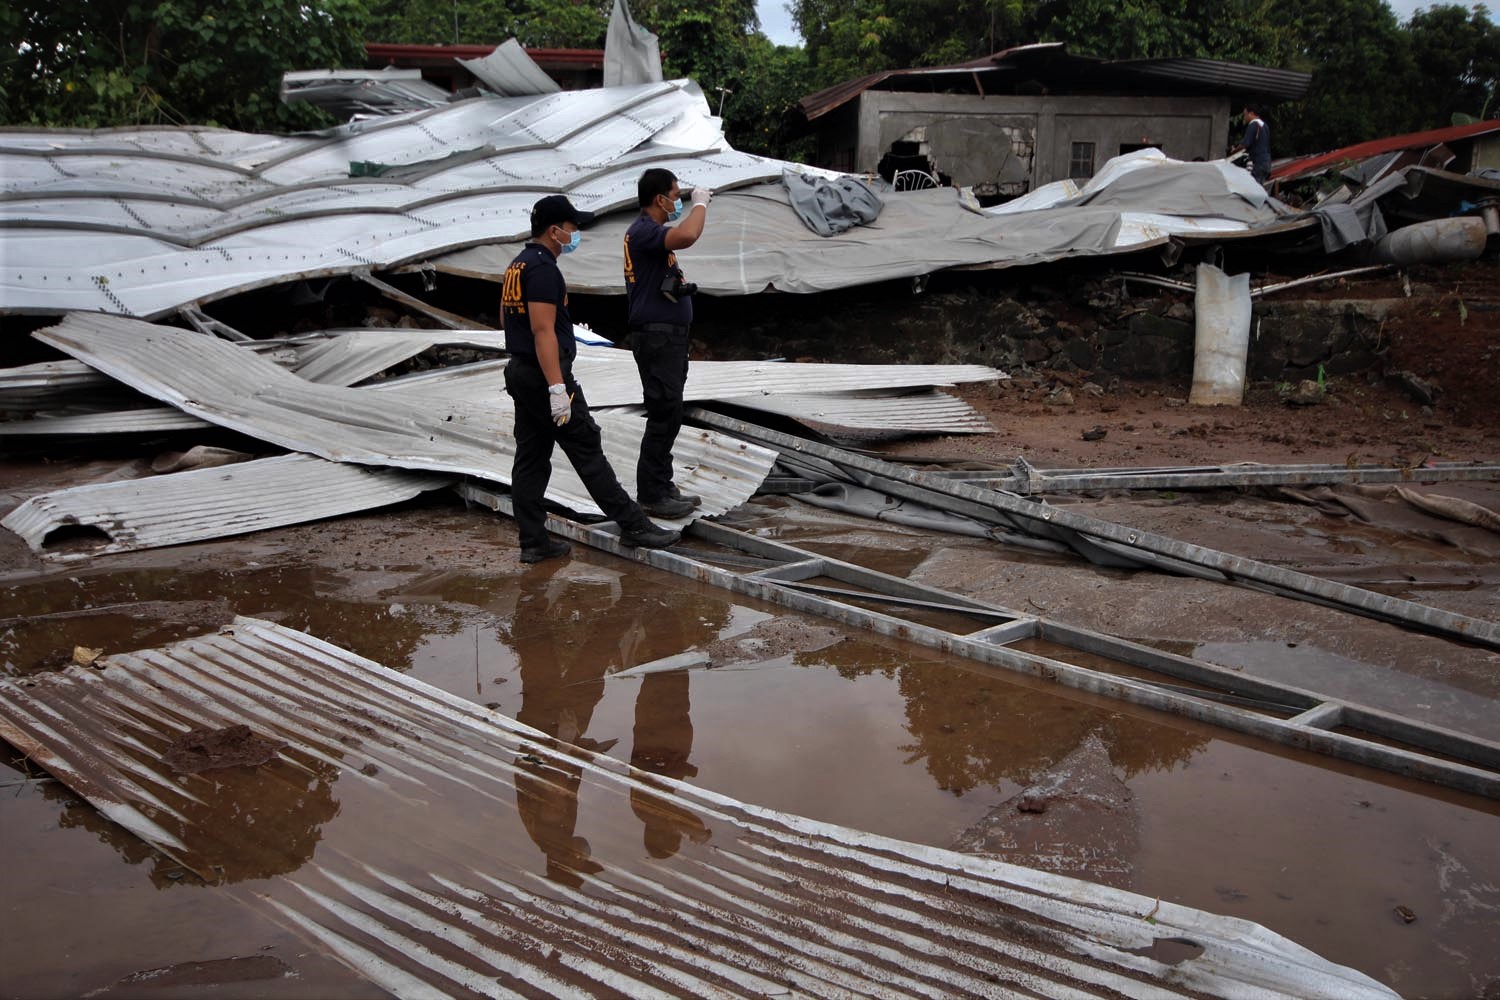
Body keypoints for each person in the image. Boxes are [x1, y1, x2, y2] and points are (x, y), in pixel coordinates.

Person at [502, 195, 680, 563]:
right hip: (543, 375)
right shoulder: (542, 269)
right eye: (572, 227)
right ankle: (634, 525)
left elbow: (506, 319)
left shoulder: (518, 264)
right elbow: (542, 331)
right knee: (587, 447)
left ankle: (534, 541)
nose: (575, 233)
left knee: (532, 457)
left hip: (521, 371)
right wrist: (556, 388)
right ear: (555, 231)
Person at [623, 169, 713, 518]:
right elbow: (689, 234)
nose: (679, 201)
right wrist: (701, 204)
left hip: (665, 338)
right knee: (664, 414)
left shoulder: (649, 235)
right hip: (657, 338)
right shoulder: (645, 231)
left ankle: (661, 484)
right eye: (676, 196)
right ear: (659, 199)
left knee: (669, 411)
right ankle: (652, 493)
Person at [1232, 106, 1272, 186]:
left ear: (1251, 113)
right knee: (1259, 187)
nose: (1244, 117)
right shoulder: (1265, 125)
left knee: (1253, 188)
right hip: (1266, 162)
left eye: (1245, 115)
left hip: (1258, 163)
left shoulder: (1253, 124)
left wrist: (1234, 150)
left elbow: (1245, 144)